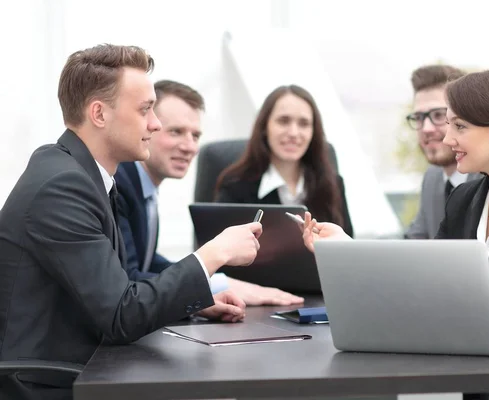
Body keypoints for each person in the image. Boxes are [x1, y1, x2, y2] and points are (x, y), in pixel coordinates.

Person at [300, 69, 489, 400]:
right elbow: (427, 278)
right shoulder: (464, 200)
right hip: (482, 369)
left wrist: (452, 306)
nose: (447, 139)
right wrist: (347, 249)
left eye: (460, 127)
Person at [0, 44, 261, 400]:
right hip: (46, 385)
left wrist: (196, 299)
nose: (154, 124)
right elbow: (123, 314)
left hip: (85, 366)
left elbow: (121, 290)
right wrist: (214, 253)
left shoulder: (84, 176)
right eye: (145, 110)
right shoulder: (63, 186)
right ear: (99, 114)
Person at [115, 79, 304, 306]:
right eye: (176, 132)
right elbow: (129, 280)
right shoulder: (119, 184)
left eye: (195, 136)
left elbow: (147, 262)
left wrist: (219, 281)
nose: (189, 147)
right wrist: (216, 284)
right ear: (149, 126)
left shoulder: (142, 187)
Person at [214, 84, 353, 237]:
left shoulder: (332, 185)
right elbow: (222, 254)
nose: (294, 132)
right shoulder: (235, 186)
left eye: (304, 124)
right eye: (283, 121)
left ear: (313, 132)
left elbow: (346, 252)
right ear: (265, 127)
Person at [404, 65, 480, 239]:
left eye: (439, 115)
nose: (426, 128)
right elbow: (414, 242)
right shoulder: (432, 178)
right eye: (418, 118)